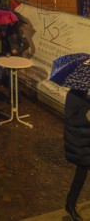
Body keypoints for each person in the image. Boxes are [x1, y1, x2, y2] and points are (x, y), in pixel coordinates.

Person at [64, 89, 90, 221]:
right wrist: (87, 116)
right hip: (79, 142)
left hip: (87, 140)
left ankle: (70, 203)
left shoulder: (87, 95)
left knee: (82, 172)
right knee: (81, 172)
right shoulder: (73, 95)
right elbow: (71, 120)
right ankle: (70, 203)